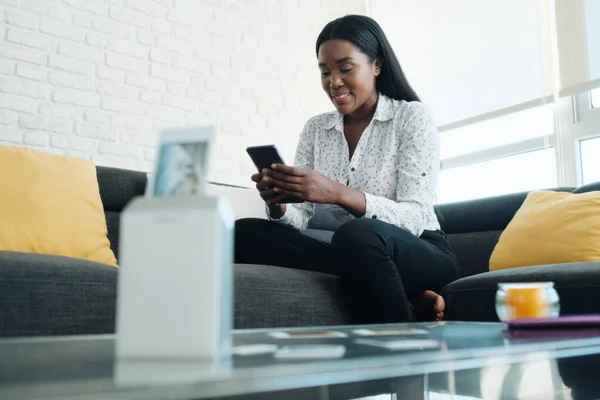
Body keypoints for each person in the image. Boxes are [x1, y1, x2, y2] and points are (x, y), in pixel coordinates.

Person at [235, 15, 458, 323]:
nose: (334, 82)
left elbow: (416, 216)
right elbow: (301, 218)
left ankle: (401, 345)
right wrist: (281, 205)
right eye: (325, 72)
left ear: (376, 65)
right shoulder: (316, 129)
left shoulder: (410, 117)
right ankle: (401, 293)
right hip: (355, 252)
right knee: (243, 232)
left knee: (357, 235)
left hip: (419, 248)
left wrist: (338, 193)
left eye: (345, 68)